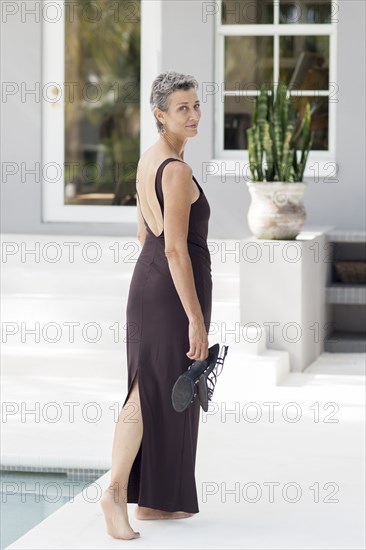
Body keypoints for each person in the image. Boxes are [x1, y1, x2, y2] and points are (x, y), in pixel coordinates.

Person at [100, 71, 212, 540]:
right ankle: (114, 493)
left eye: (195, 105)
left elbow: (145, 233)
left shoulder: (151, 159)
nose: (192, 115)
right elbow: (173, 247)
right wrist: (194, 319)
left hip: (151, 283)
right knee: (147, 393)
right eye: (181, 108)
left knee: (159, 390)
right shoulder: (177, 170)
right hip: (169, 289)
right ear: (159, 114)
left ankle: (155, 501)